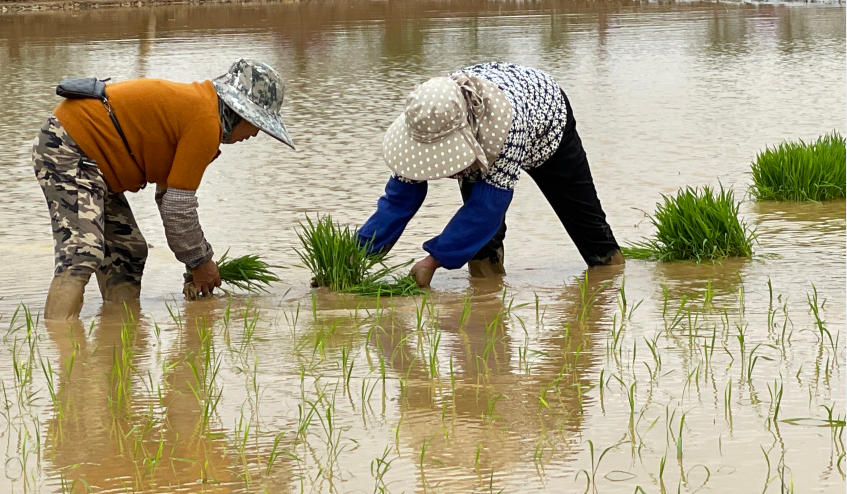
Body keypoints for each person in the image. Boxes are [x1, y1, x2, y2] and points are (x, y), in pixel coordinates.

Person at [33, 59, 294, 320]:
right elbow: (177, 208)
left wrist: (195, 263)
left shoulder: (198, 111)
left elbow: (168, 199)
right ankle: (58, 340)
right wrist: (201, 263)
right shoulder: (206, 121)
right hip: (69, 145)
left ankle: (118, 336)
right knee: (82, 252)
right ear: (241, 112)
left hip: (94, 158)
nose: (257, 133)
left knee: (128, 251)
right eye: (258, 123)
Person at [357, 62, 623, 287]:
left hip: (546, 119)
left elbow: (486, 209)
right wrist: (354, 255)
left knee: (586, 223)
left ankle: (611, 283)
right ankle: (487, 307)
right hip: (488, 121)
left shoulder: (503, 127)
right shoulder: (427, 117)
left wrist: (432, 261)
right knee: (483, 247)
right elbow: (398, 199)